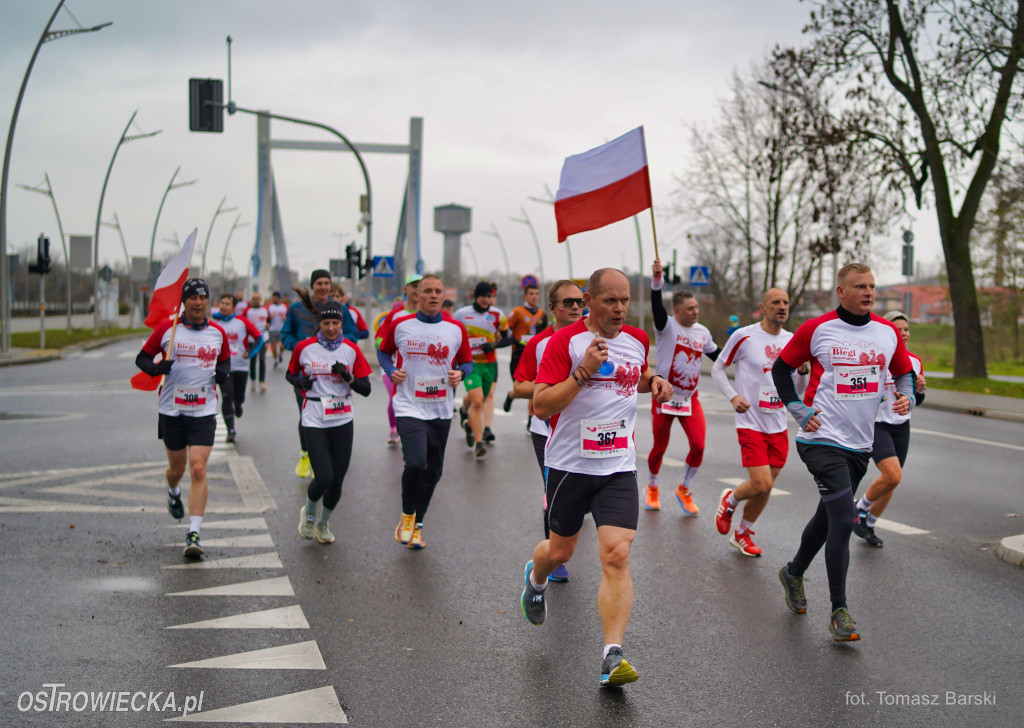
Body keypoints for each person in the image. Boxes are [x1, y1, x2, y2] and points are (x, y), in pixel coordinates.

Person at [519, 268, 672, 687]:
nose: (620, 308)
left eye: (625, 300)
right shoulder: (562, 343)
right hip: (570, 465)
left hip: (618, 466)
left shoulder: (637, 340)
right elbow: (542, 405)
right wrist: (583, 370)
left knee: (617, 554)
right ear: (589, 300)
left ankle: (612, 655)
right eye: (611, 300)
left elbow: (633, 373)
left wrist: (654, 380)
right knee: (561, 552)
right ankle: (536, 577)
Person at [772, 263, 915, 642]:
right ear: (841, 291)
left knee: (828, 515)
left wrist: (908, 396)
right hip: (820, 439)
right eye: (860, 286)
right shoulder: (816, 329)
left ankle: (794, 571)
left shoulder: (887, 333)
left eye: (872, 286)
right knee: (844, 517)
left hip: (860, 445)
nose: (868, 292)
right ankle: (839, 610)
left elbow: (904, 374)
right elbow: (780, 368)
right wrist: (798, 410)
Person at [135, 279, 230, 558]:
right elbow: (142, 358)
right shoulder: (169, 330)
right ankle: (173, 490)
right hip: (172, 410)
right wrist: (156, 368)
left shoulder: (218, 333)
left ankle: (194, 533)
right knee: (176, 470)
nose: (198, 303)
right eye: (192, 299)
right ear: (184, 302)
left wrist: (223, 373)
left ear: (207, 301)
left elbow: (224, 362)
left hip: (203, 410)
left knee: (198, 468)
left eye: (202, 298)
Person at [377, 274, 473, 549]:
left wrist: (460, 374)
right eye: (427, 291)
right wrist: (390, 370)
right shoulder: (400, 324)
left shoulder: (455, 329)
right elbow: (384, 353)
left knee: (433, 472)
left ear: (444, 296)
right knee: (416, 463)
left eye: (438, 291)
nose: (433, 295)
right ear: (416, 295)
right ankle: (408, 514)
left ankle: (417, 524)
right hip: (408, 405)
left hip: (441, 409)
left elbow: (467, 362)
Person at [710, 288, 799, 556]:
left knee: (766, 488)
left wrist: (803, 373)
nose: (781, 307)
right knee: (761, 484)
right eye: (775, 302)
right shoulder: (744, 336)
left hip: (778, 423)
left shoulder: (792, 341)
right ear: (763, 307)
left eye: (785, 302)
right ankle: (731, 499)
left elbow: (799, 383)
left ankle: (743, 532)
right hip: (750, 421)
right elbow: (718, 368)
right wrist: (733, 396)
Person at [509, 280, 584, 582]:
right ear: (552, 308)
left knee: (582, 496)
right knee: (554, 492)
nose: (576, 307)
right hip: (547, 430)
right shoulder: (539, 343)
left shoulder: (595, 340)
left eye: (580, 302)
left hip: (586, 430)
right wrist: (554, 388)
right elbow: (518, 386)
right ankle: (554, 558)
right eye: (568, 303)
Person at [286, 293, 372, 544]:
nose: (332, 328)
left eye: (336, 324)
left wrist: (348, 377)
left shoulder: (351, 350)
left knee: (337, 481)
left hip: (342, 419)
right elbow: (290, 375)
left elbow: (366, 389)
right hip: (314, 417)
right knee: (324, 477)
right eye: (326, 324)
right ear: (319, 325)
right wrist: (299, 381)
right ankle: (310, 511)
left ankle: (324, 523)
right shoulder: (305, 348)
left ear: (341, 324)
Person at [645, 259, 720, 513]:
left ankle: (684, 488)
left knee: (698, 445)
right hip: (664, 397)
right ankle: (652, 486)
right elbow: (656, 307)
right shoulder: (666, 327)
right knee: (660, 446)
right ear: (676, 311)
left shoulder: (702, 332)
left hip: (690, 399)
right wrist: (657, 283)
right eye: (689, 308)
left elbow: (718, 357)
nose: (695, 312)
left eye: (696, 307)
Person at [853, 310, 926, 548]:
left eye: (906, 329)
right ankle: (859, 509)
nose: (904, 333)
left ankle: (869, 524)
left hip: (900, 426)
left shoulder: (914, 361)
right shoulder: (875, 356)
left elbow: (916, 399)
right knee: (893, 475)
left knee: (892, 481)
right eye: (898, 329)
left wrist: (920, 390)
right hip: (877, 424)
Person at [282, 270, 334, 478]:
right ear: (313, 286)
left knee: (330, 414)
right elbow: (286, 335)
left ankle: (323, 455)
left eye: (326, 283)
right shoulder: (297, 309)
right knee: (307, 414)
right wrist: (302, 347)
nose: (323, 287)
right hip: (305, 374)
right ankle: (306, 454)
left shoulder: (337, 309)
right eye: (319, 283)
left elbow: (352, 333)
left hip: (332, 373)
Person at [454, 281, 511, 457]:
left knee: (482, 398)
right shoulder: (462, 314)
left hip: (489, 364)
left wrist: (493, 344)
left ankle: (467, 419)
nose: (486, 300)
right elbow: (451, 334)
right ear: (476, 296)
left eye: (489, 296)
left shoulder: (497, 315)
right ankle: (479, 443)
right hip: (470, 364)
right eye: (483, 296)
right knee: (478, 401)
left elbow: (509, 338)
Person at [375, 275, 422, 445]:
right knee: (394, 397)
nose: (417, 290)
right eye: (413, 286)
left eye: (420, 286)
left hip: (417, 369)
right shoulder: (395, 315)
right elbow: (379, 339)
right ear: (405, 289)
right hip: (393, 366)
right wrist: (391, 344)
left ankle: (413, 431)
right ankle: (394, 430)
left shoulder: (428, 315)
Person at [212, 293, 263, 443]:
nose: (223, 306)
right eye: (222, 303)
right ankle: (231, 430)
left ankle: (238, 403)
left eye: (227, 304)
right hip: (222, 367)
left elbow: (258, 337)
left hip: (241, 366)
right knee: (227, 395)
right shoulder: (213, 322)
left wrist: (251, 352)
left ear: (234, 307)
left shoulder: (242, 321)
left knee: (238, 396)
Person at [503, 283, 548, 409]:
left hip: (536, 356)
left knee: (537, 386)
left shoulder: (542, 314)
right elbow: (506, 331)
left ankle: (531, 419)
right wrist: (515, 342)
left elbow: (545, 333)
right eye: (531, 294)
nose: (534, 297)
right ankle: (511, 395)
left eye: (536, 294)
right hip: (519, 355)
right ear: (525, 296)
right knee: (522, 390)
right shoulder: (517, 312)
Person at [245, 292, 269, 393]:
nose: (255, 300)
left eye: (257, 298)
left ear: (260, 299)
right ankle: (253, 380)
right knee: (253, 361)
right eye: (253, 298)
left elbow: (269, 321)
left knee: (262, 360)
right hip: (252, 339)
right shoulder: (248, 311)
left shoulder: (264, 310)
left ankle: (262, 382)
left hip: (262, 338)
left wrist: (268, 325)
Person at [267, 291, 289, 367]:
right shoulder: (269, 307)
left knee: (282, 346)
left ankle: (280, 354)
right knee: (273, 347)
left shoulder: (284, 307)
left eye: (275, 297)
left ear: (279, 298)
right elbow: (266, 318)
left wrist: (285, 319)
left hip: (282, 329)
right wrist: (270, 317)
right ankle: (276, 359)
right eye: (273, 297)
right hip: (272, 329)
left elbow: (289, 317)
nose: (274, 299)